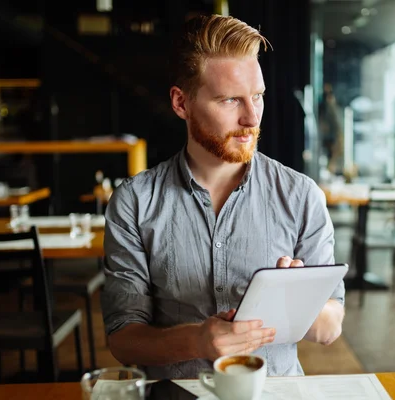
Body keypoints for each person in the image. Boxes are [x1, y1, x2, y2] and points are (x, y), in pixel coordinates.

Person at [101, 14, 345, 379]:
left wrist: (297, 303)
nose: (252, 118)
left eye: (257, 97)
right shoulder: (134, 203)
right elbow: (123, 340)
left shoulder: (301, 195)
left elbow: (330, 327)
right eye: (231, 100)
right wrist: (196, 342)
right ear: (181, 103)